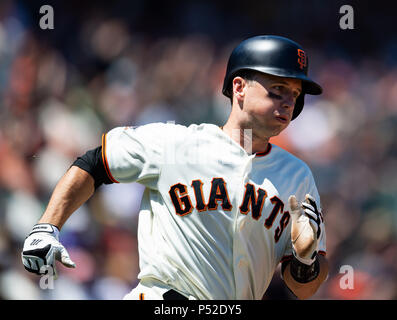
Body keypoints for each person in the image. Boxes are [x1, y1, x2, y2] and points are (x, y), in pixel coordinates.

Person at [22, 35, 328, 300]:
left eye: (295, 94)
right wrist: (48, 226)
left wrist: (306, 260)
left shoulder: (298, 176)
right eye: (277, 88)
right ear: (239, 88)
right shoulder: (175, 143)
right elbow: (95, 162)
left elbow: (303, 288)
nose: (289, 101)